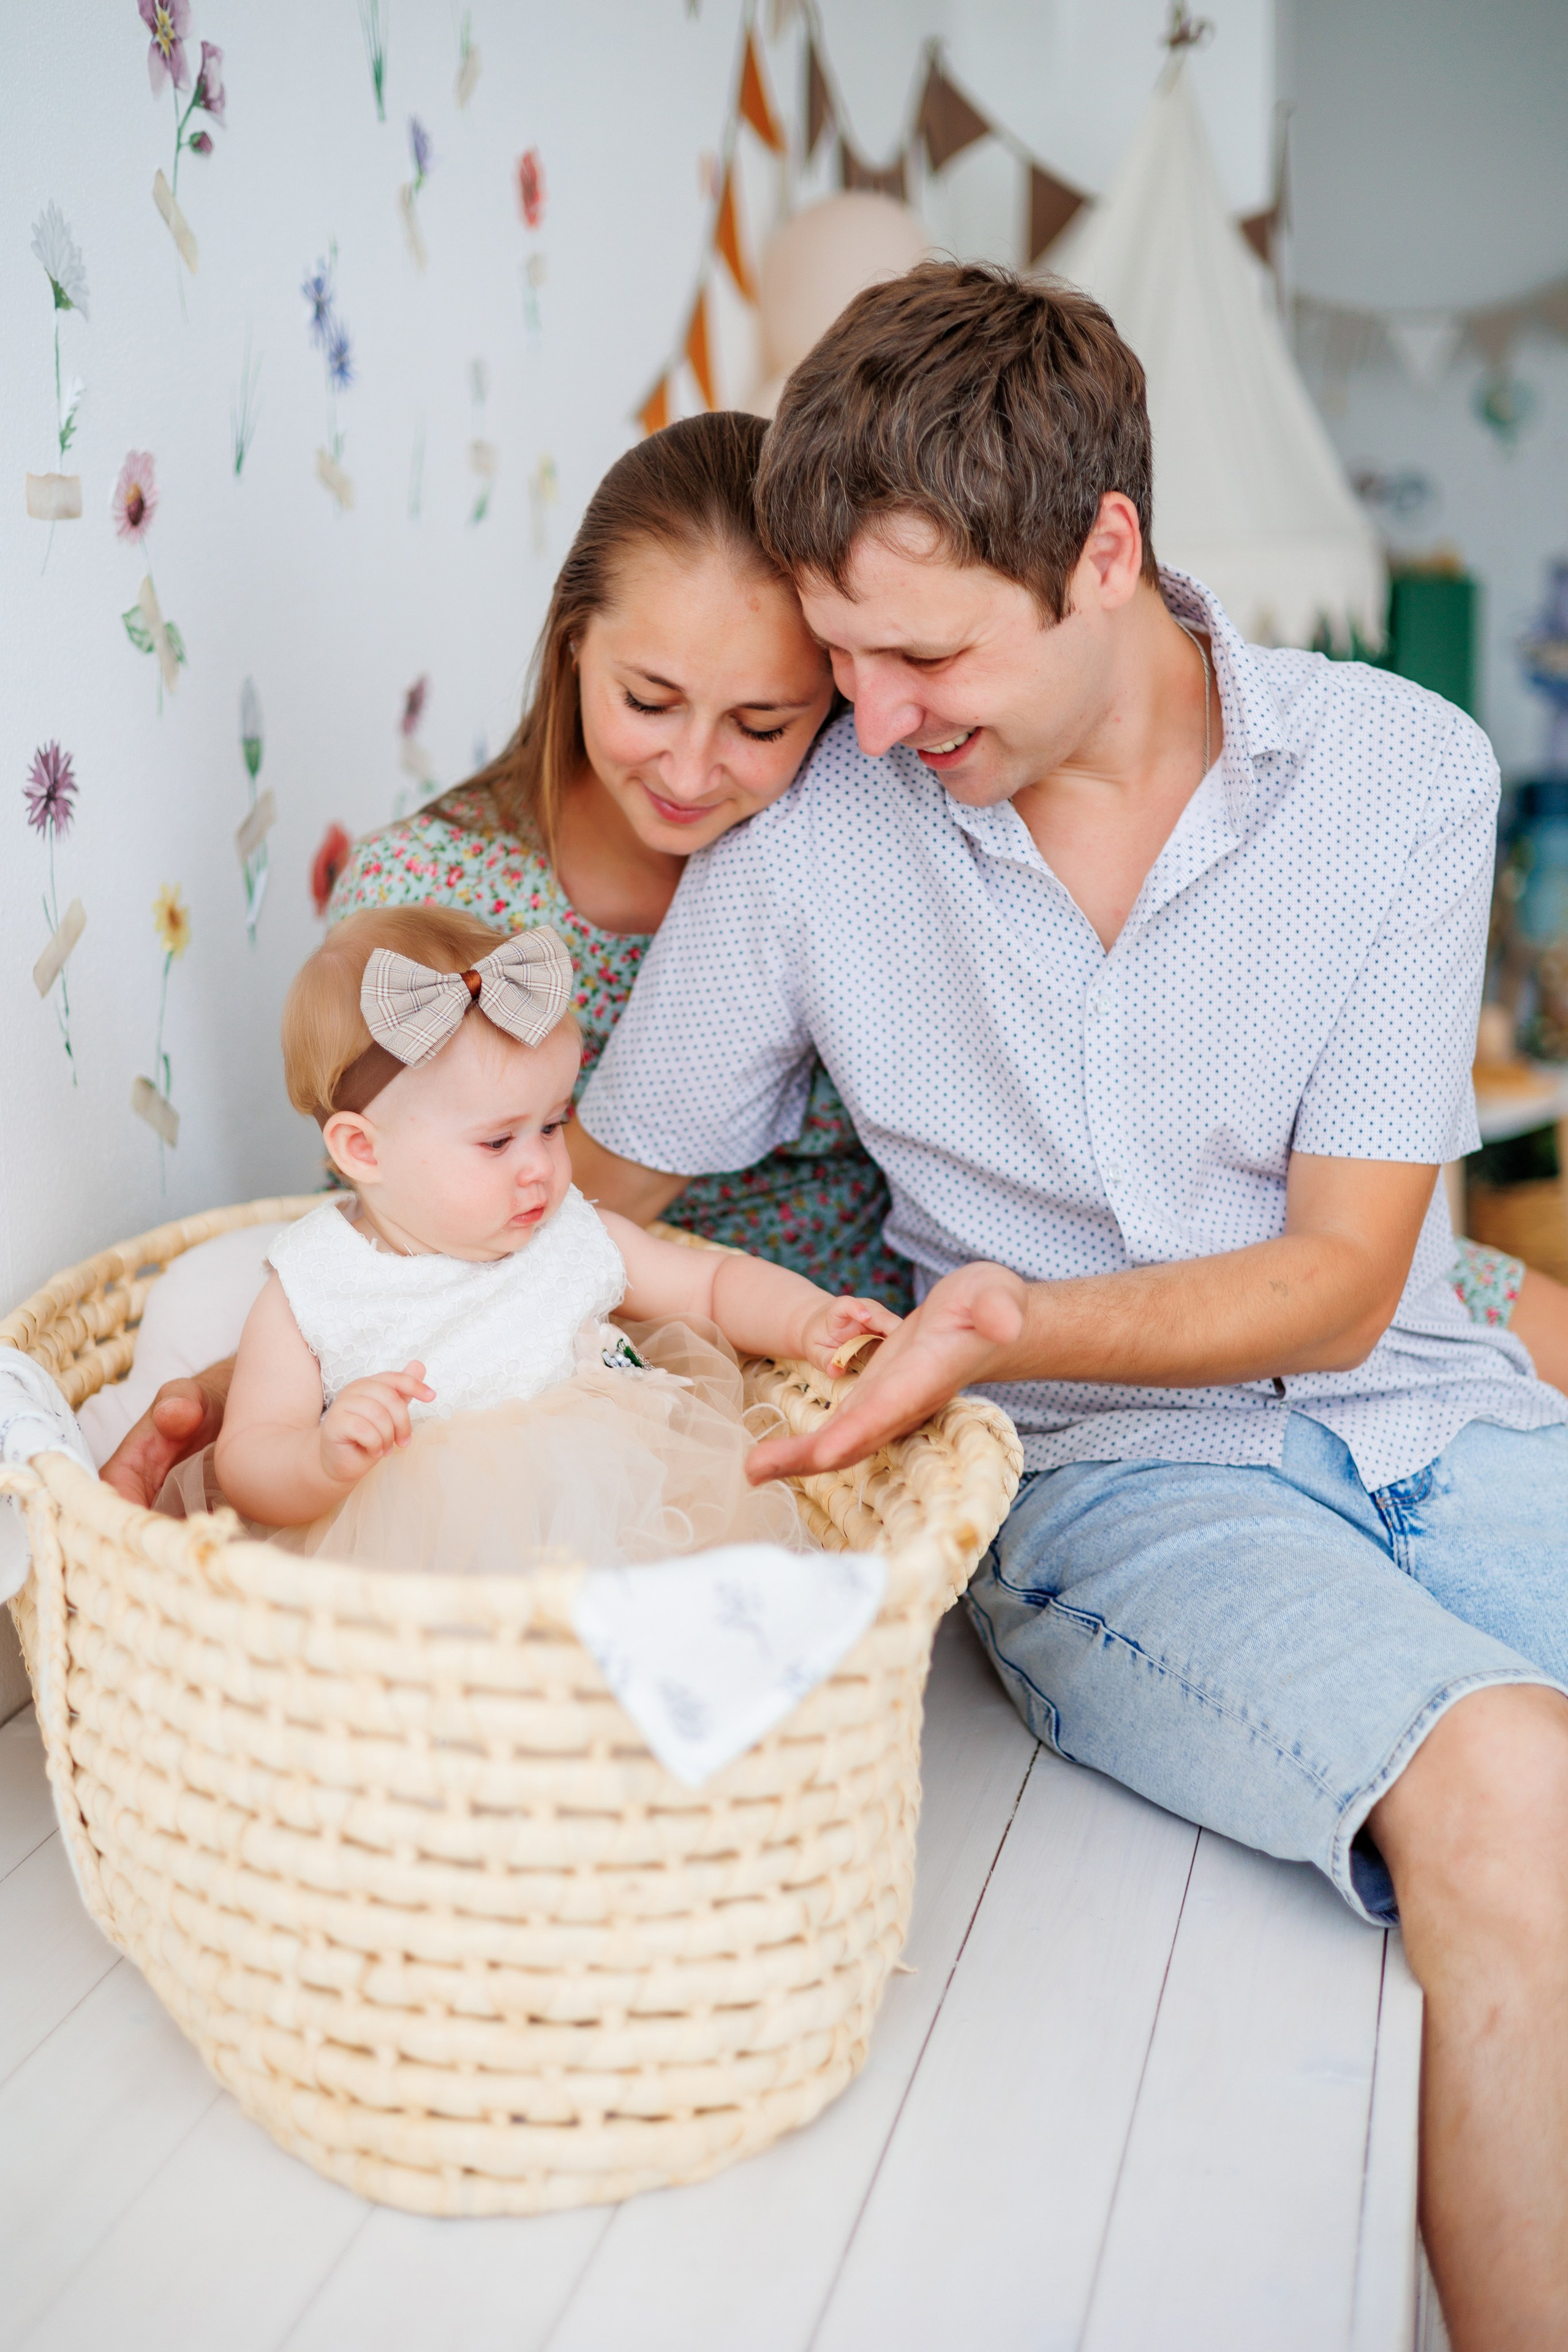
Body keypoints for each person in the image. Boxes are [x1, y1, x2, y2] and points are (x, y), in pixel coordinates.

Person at [575, 263, 1568, 2348]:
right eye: (840, 656)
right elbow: (581, 1199)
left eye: (926, 654)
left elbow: (1343, 1283)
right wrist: (323, 1321)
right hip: (1121, 1498)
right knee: (1510, 1799)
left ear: (1105, 551)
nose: (874, 718)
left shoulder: (1397, 774)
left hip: (1430, 1407)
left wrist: (1008, 1316)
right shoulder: (813, 838)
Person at [100, 412, 913, 1510]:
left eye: (763, 725)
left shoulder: (852, 854)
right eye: (649, 700)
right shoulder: (430, 902)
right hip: (488, 1375)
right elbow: (377, 1239)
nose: (690, 765)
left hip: (811, 1372)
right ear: (575, 641)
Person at [205, 904, 895, 1572]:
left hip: (626, 1516)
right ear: (363, 1151)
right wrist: (322, 1461)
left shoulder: (569, 1237)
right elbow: (248, 1456)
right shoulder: (316, 1284)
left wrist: (806, 1317)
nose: (539, 1166)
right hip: (425, 1559)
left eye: (552, 1125)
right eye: (499, 1140)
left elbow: (710, 1284)